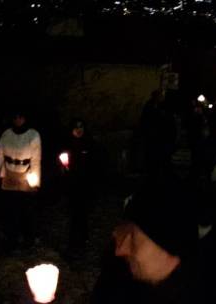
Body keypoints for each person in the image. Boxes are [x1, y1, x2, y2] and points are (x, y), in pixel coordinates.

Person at [92, 176, 200, 304]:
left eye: (133, 241)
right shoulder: (116, 273)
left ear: (171, 256)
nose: (119, 251)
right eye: (124, 229)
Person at [0, 110, 42, 250]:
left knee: (26, 211)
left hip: (25, 177)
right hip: (9, 177)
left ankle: (28, 239)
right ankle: (11, 240)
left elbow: (36, 160)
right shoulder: (6, 134)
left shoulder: (33, 135)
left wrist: (35, 183)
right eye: (15, 117)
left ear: (25, 118)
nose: (18, 120)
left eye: (21, 117)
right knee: (10, 211)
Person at [62, 118, 102, 258]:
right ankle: (74, 241)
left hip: (85, 186)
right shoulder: (67, 144)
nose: (79, 129)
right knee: (74, 213)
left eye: (81, 127)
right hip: (72, 186)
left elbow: (96, 165)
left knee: (82, 213)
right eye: (76, 127)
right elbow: (61, 161)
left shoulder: (90, 144)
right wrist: (64, 168)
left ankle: (82, 240)